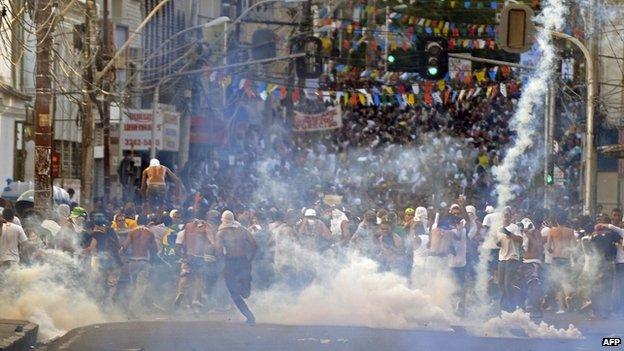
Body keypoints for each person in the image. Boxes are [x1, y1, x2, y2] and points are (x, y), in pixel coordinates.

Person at [215, 210, 258, 324]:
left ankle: (250, 317)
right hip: (243, 261)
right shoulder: (242, 230)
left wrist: (223, 266)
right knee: (244, 291)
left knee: (234, 293)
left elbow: (219, 251)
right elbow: (254, 245)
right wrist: (249, 260)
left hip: (231, 263)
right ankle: (245, 286)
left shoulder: (221, 233)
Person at [174, 209, 216, 309]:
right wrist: (212, 247)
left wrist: (183, 256)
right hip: (199, 257)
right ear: (205, 216)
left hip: (188, 256)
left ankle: (180, 292)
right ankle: (196, 299)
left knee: (184, 275)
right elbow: (211, 241)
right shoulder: (206, 226)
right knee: (199, 278)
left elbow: (181, 243)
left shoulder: (188, 226)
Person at [121, 214, 158, 315]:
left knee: (133, 286)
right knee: (140, 287)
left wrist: (120, 255)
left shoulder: (132, 232)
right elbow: (155, 249)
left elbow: (124, 247)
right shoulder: (150, 233)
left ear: (136, 221)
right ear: (147, 221)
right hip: (143, 261)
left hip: (133, 261)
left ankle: (129, 307)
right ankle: (132, 309)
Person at [85, 215, 123, 306]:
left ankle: (99, 304)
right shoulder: (112, 231)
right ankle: (109, 303)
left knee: (100, 283)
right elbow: (118, 246)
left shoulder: (96, 234)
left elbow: (92, 248)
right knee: (112, 284)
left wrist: (81, 251)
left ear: (97, 225)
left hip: (103, 262)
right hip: (116, 262)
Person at [545, 212, 576, 314]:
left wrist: (552, 251)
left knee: (558, 283)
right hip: (566, 259)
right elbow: (574, 247)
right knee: (566, 281)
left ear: (557, 221)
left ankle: (561, 308)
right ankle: (568, 298)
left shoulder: (552, 231)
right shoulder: (571, 231)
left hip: (556, 258)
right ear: (566, 220)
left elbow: (548, 247)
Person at [592, 216, 623, 319]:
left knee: (598, 287)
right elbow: (621, 243)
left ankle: (597, 311)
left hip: (597, 263)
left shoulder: (595, 235)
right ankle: (605, 312)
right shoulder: (612, 234)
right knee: (608, 287)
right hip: (608, 263)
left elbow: (590, 248)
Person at [517, 218, 544, 318]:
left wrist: (529, 234)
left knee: (534, 285)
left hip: (534, 262)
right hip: (525, 262)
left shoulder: (536, 233)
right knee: (523, 285)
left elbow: (539, 247)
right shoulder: (524, 234)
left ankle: (534, 308)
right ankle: (525, 306)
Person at [496, 217, 523, 312]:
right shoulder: (498, 229)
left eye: (507, 214)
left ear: (510, 216)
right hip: (502, 257)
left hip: (512, 257)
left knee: (508, 283)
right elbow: (499, 243)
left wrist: (508, 233)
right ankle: (507, 303)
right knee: (500, 282)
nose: (505, 216)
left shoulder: (514, 227)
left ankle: (510, 305)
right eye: (504, 214)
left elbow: (520, 240)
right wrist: (498, 243)